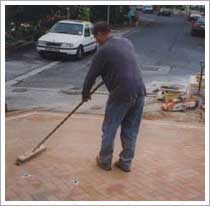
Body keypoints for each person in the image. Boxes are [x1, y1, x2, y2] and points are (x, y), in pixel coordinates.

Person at [82, 22, 146, 172]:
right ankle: (125, 163)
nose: (95, 40)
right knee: (130, 129)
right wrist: (108, 73)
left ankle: (104, 161)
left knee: (109, 128)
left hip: (121, 93)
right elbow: (122, 63)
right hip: (140, 90)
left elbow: (91, 76)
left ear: (100, 34)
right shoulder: (126, 42)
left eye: (95, 36)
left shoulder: (103, 51)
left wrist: (85, 93)